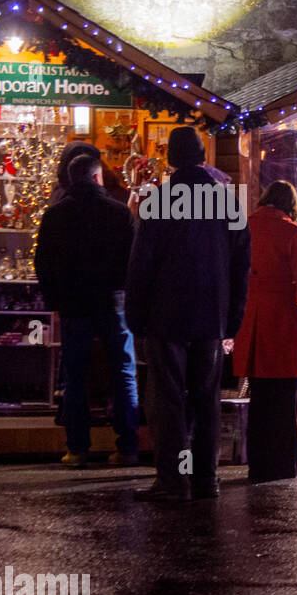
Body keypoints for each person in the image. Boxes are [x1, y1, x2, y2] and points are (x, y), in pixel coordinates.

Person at [125, 126, 250, 502]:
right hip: (211, 315)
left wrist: (136, 316)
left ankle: (174, 478)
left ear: (171, 160)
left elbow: (141, 265)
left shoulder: (159, 202)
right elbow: (242, 264)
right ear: (202, 157)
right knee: (205, 396)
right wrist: (233, 316)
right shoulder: (228, 202)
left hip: (166, 316)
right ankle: (205, 478)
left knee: (170, 398)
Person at [230, 181, 297, 483]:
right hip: (284, 324)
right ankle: (281, 466)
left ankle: (258, 465)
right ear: (290, 204)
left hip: (250, 324)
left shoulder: (243, 228)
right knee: (284, 401)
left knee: (259, 399)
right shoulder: (293, 233)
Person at [35, 154, 139, 467]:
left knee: (75, 376)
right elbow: (133, 261)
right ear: (97, 178)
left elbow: (43, 264)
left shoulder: (55, 215)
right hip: (113, 302)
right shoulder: (120, 213)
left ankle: (77, 448)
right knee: (123, 373)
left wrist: (55, 302)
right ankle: (127, 447)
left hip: (74, 304)